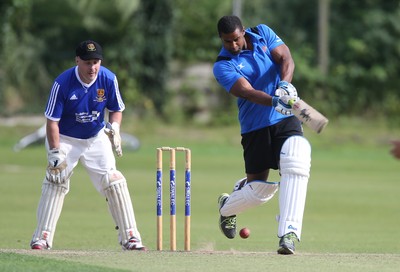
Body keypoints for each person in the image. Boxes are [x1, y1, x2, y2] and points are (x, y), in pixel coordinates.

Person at [30, 40, 146, 251]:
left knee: (114, 181)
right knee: (56, 179)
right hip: (64, 138)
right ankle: (42, 237)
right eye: (87, 63)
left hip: (95, 137)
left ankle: (130, 236)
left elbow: (116, 109)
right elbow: (52, 122)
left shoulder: (108, 78)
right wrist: (55, 153)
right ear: (77, 61)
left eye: (96, 62)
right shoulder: (62, 83)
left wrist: (116, 128)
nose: (92, 68)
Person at [213, 15, 312, 255]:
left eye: (236, 39)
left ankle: (288, 233)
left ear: (243, 31)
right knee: (259, 190)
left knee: (296, 160)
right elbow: (246, 92)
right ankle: (227, 207)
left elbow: (286, 58)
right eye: (227, 42)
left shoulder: (263, 33)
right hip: (254, 127)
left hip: (284, 120)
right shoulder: (222, 65)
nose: (233, 45)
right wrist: (275, 100)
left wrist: (285, 86)